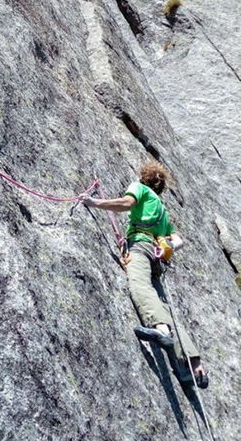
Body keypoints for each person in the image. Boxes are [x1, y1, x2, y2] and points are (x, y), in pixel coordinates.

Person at [80, 161, 208, 389]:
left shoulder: (140, 189)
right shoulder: (162, 210)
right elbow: (179, 240)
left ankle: (160, 329)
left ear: (144, 178)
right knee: (165, 306)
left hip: (139, 246)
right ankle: (194, 366)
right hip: (156, 256)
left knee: (140, 285)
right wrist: (164, 247)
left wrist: (94, 202)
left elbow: (125, 203)